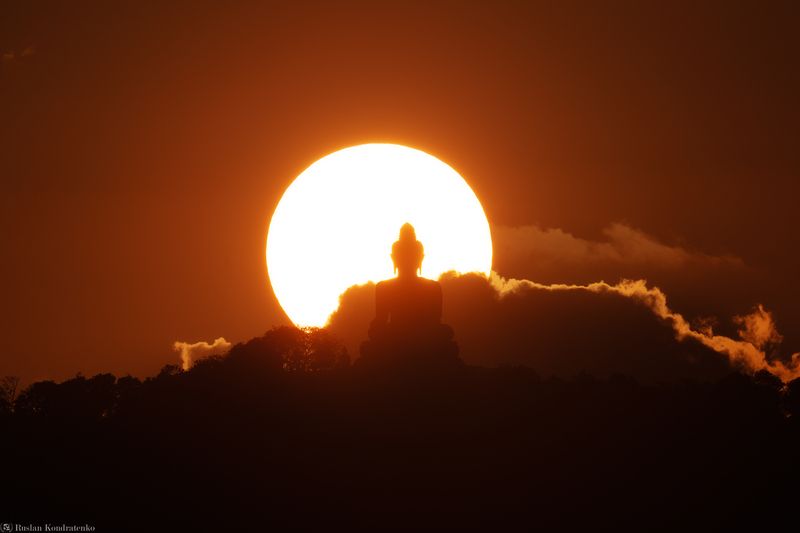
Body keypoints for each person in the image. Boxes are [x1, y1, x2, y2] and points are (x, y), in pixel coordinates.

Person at [360, 223, 460, 368]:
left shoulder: (433, 288)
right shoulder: (383, 288)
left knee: (445, 333)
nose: (407, 260)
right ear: (393, 258)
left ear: (421, 258)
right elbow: (380, 322)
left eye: (411, 255)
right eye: (403, 255)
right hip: (400, 340)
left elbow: (435, 322)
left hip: (419, 341)